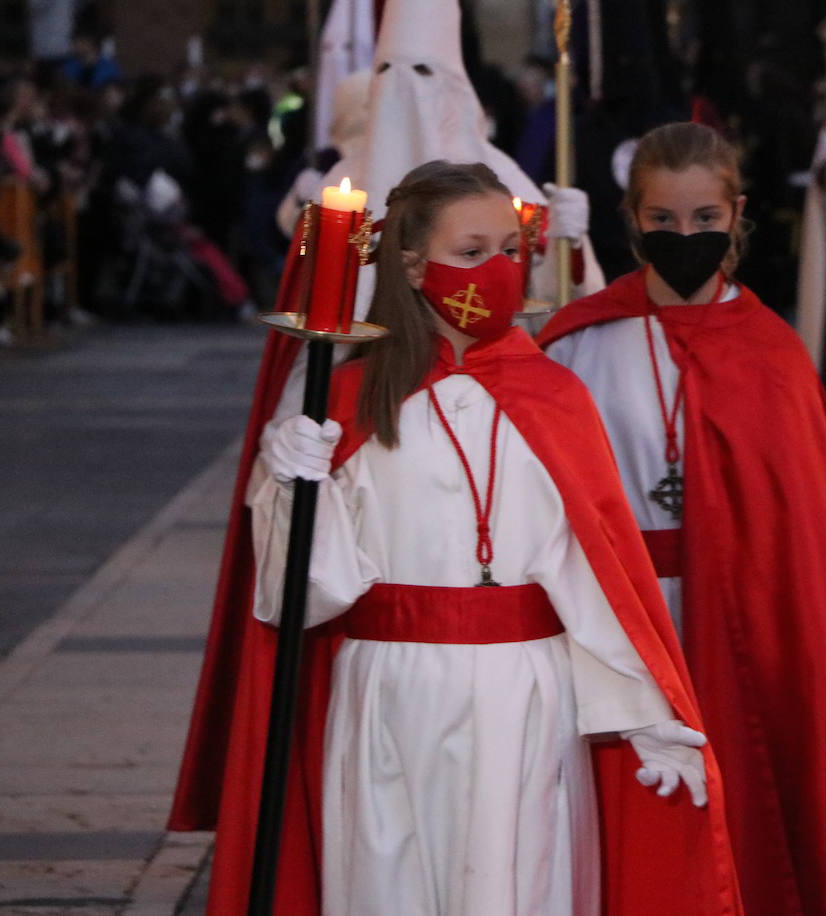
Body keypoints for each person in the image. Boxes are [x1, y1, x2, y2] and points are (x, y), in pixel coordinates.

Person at [172, 160, 742, 915]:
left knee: (516, 886)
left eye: (509, 250)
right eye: (471, 254)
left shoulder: (555, 394)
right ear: (411, 265)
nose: (498, 271)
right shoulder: (350, 397)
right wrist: (286, 485)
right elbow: (310, 591)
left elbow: (594, 573)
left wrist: (646, 714)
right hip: (387, 689)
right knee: (385, 885)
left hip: (524, 693)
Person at [539, 122, 826, 915]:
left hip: (757, 619)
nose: (683, 237)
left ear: (736, 216)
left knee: (767, 797)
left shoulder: (774, 354)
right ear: (632, 221)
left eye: (702, 220)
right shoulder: (574, 345)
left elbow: (811, 541)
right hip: (624, 623)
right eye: (662, 221)